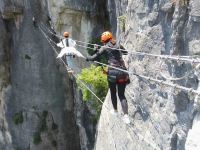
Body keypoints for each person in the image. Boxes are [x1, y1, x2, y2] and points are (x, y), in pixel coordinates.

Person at [86, 31, 130, 124]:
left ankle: (115, 110)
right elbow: (125, 52)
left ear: (104, 41)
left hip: (112, 73)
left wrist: (88, 57)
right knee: (121, 95)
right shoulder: (118, 44)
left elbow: (94, 57)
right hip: (122, 72)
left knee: (113, 93)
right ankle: (126, 116)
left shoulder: (104, 47)